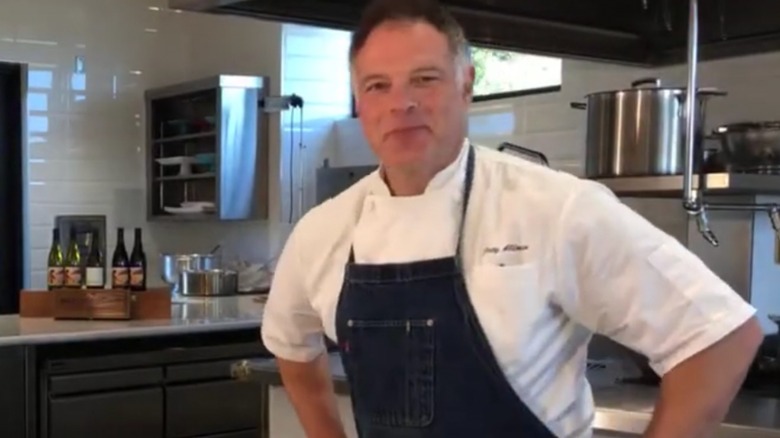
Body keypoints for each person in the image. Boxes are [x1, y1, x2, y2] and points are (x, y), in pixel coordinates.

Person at [261, 0, 763, 436]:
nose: (401, 103)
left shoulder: (555, 208)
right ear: (359, 98)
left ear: (466, 84)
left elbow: (720, 337)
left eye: (425, 78)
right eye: (377, 86)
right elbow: (290, 343)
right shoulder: (323, 232)